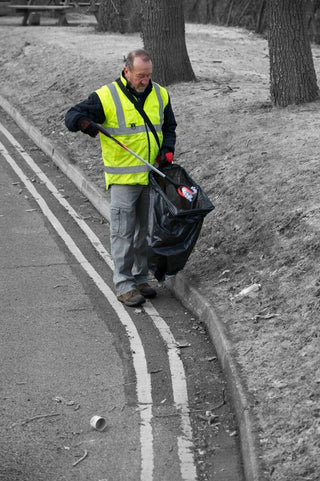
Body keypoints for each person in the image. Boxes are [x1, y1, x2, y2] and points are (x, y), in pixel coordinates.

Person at [65, 49, 177, 307]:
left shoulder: (160, 94)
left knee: (144, 234)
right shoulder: (107, 97)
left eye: (148, 76)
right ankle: (124, 285)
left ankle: (140, 278)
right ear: (126, 71)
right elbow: (72, 116)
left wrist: (167, 151)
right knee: (123, 233)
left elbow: (169, 128)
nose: (144, 81)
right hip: (123, 181)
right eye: (140, 76)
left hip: (149, 177)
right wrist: (86, 124)